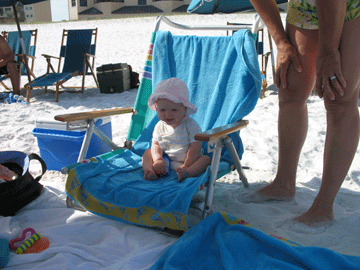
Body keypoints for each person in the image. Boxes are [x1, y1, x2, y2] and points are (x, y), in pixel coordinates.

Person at [245, 0, 360, 225]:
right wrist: (281, 42)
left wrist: (328, 53)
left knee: (339, 97)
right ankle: (284, 183)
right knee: (289, 89)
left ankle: (324, 207)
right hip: (305, 3)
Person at [142, 77, 211, 182]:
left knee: (205, 160)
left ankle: (187, 173)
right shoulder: (159, 126)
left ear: (185, 109)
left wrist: (186, 166)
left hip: (189, 161)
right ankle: (151, 171)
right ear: (156, 108)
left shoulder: (190, 125)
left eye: (174, 109)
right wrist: (158, 160)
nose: (168, 114)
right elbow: (156, 145)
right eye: (162, 110)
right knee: (147, 153)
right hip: (166, 161)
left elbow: (195, 147)